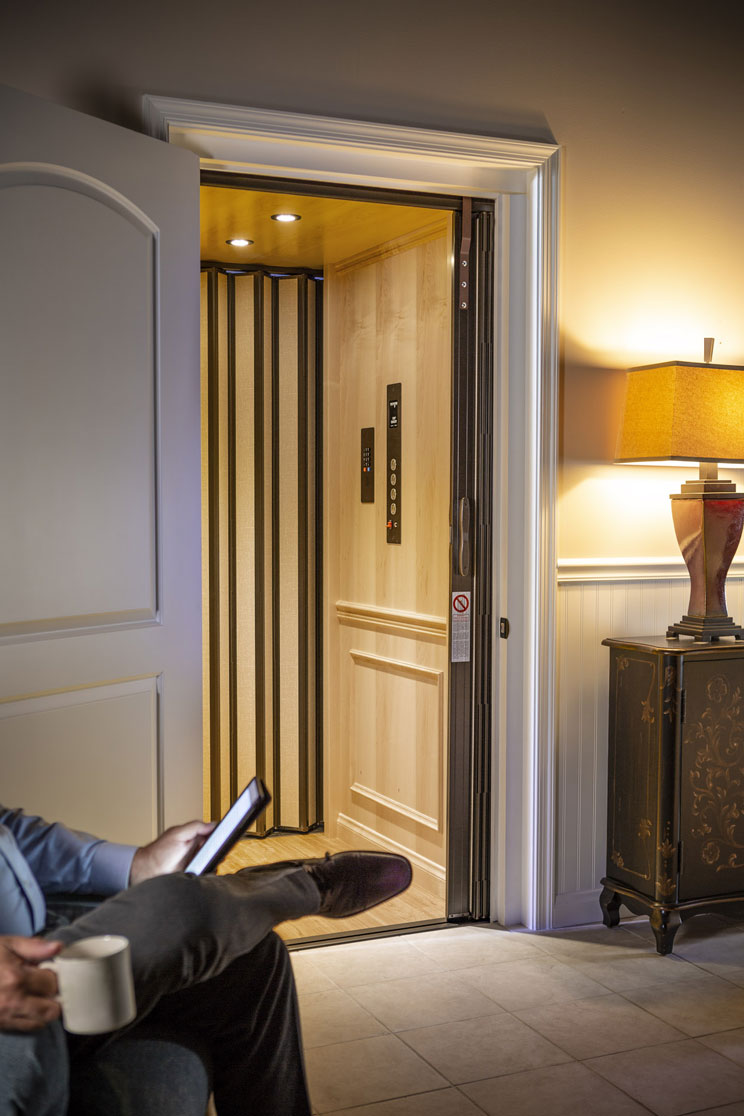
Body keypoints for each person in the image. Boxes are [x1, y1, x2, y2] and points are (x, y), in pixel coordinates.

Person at [0, 804, 412, 1115]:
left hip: (36, 935)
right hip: (23, 995)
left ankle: (263, 890)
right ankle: (299, 886)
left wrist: (136, 863)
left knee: (252, 957)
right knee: (180, 908)